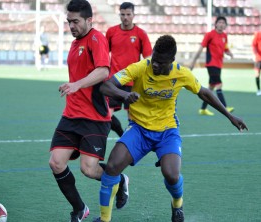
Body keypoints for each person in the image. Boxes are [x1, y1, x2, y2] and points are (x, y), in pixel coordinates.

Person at [93, 35, 248, 222]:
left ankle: (177, 204)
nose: (155, 65)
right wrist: (123, 95)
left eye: (160, 62)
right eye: (154, 59)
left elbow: (205, 93)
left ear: (171, 61)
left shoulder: (181, 74)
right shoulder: (142, 67)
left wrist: (229, 115)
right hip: (139, 129)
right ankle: (104, 219)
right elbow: (106, 86)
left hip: (167, 131)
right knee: (112, 166)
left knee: (172, 175)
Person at [48, 0, 128, 221]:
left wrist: (76, 85)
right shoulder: (75, 43)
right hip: (71, 114)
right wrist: (74, 84)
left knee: (89, 170)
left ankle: (120, 181)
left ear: (89, 20)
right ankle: (79, 209)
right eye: (69, 22)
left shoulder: (96, 39)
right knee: (56, 162)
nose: (71, 26)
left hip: (94, 117)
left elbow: (103, 71)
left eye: (75, 21)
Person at [105, 2, 152, 137]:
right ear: (119, 14)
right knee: (105, 117)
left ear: (133, 15)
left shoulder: (141, 34)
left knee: (132, 119)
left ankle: (128, 145)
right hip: (114, 81)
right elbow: (102, 53)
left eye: (128, 14)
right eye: (123, 14)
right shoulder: (111, 32)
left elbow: (148, 58)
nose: (125, 17)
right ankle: (120, 134)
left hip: (133, 83)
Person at [190, 16, 234, 116]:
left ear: (225, 25)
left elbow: (225, 48)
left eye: (223, 23)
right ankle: (225, 107)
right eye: (220, 22)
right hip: (211, 64)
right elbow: (201, 48)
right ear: (216, 24)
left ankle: (203, 109)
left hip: (219, 64)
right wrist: (193, 62)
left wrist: (230, 53)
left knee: (211, 87)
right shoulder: (209, 35)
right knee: (219, 84)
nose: (221, 24)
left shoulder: (224, 36)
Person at [252, 30, 261, 96]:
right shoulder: (258, 34)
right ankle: (258, 89)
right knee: (257, 74)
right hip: (258, 58)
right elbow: (253, 45)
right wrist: (255, 53)